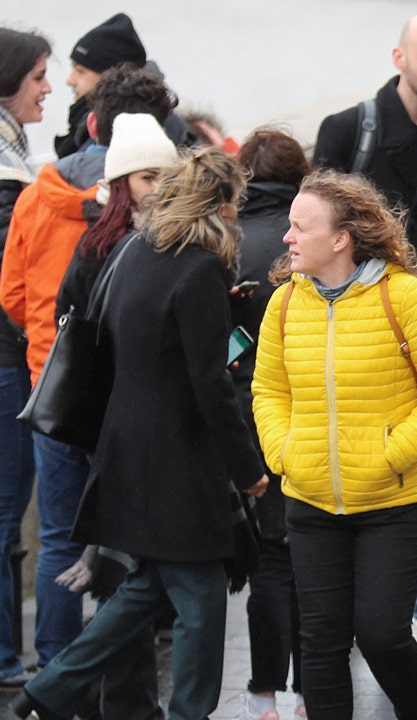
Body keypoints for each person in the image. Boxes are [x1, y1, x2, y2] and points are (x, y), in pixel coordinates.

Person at [7, 147, 270, 720]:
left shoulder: (134, 250)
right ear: (218, 205)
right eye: (235, 204)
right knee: (200, 602)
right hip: (178, 463)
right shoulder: (200, 268)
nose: (237, 215)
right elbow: (211, 383)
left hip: (124, 451)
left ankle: (45, 692)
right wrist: (249, 470)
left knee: (139, 594)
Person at [251, 170, 417, 720]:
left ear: (341, 238)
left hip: (394, 503)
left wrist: (396, 451)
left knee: (380, 633)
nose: (288, 237)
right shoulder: (283, 305)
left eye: (301, 227)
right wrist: (284, 453)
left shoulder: (406, 297)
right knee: (321, 644)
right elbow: (267, 390)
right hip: (311, 499)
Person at [313, 15, 417, 652]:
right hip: (359, 319)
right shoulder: (348, 130)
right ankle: (387, 594)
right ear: (400, 57)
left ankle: (405, 595)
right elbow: (316, 226)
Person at [0, 64, 175, 673]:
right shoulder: (147, 203)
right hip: (122, 391)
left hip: (53, 382)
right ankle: (111, 667)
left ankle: (53, 664)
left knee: (57, 537)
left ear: (92, 121)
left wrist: (46, 342)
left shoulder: (36, 193)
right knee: (120, 535)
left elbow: (14, 297)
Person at [48, 111, 177, 720]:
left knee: (127, 573)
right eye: (149, 177)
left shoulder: (135, 242)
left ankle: (113, 701)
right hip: (117, 430)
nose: (161, 187)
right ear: (124, 182)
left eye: (166, 175)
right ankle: (123, 704)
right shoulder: (105, 246)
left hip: (130, 427)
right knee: (126, 572)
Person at [230, 128, 311, 720]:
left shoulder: (226, 243)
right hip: (307, 414)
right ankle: (312, 688)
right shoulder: (310, 242)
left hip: (244, 416)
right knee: (312, 559)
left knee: (269, 565)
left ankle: (262, 695)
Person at [0, 26, 50, 689]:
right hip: (6, 361)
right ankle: (5, 656)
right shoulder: (7, 172)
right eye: (37, 74)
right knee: (7, 512)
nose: (47, 87)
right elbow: (13, 284)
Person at [54, 13, 195, 158]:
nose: (70, 80)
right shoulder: (148, 110)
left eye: (80, 71)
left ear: (110, 76)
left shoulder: (128, 118)